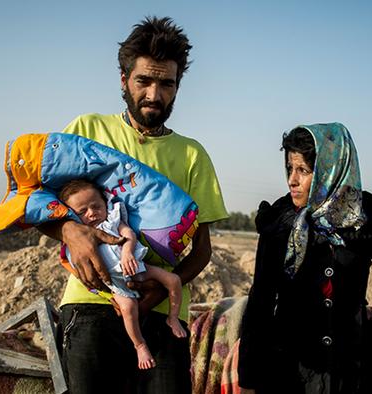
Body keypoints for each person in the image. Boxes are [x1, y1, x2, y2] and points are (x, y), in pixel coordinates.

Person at [39, 16, 229, 393]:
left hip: (162, 315)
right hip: (90, 304)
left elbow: (202, 250)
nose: (154, 95)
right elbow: (39, 201)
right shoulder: (87, 131)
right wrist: (70, 231)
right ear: (124, 79)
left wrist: (158, 294)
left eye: (166, 84)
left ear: (178, 87)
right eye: (144, 81)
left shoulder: (193, 156)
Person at [237, 123, 372, 394]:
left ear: (330, 172)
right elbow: (261, 299)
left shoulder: (361, 221)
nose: (292, 180)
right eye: (290, 169)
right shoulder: (280, 222)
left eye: (304, 171)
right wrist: (249, 377)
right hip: (289, 372)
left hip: (350, 375)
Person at [58, 178, 187, 370]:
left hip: (138, 267)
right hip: (117, 282)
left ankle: (173, 317)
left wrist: (127, 252)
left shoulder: (112, 221)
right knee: (128, 309)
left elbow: (128, 234)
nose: (92, 213)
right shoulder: (78, 237)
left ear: (105, 204)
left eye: (96, 206)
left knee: (174, 280)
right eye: (82, 211)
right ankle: (140, 345)